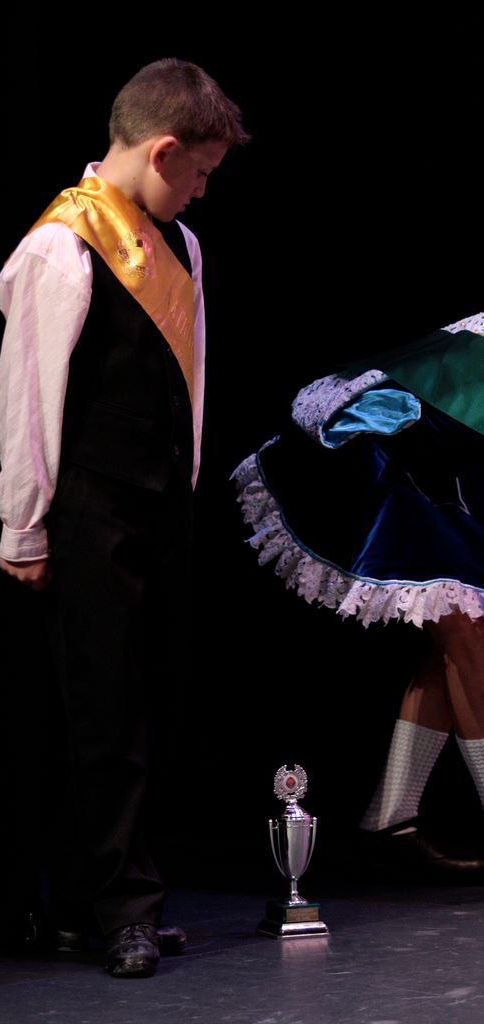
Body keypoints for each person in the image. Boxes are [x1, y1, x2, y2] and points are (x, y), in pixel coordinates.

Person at [0, 58, 249, 977]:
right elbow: (27, 395)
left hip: (157, 509)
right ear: (163, 150)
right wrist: (23, 525)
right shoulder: (61, 244)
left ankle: (89, 901)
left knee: (150, 705)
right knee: (102, 714)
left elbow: (191, 380)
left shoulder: (183, 246)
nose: (204, 190)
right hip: (88, 510)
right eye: (201, 171)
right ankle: (120, 910)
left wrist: (184, 484)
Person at [233, 313, 484, 877]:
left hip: (449, 483)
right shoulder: (473, 354)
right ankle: (392, 822)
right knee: (468, 634)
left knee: (454, 641)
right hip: (407, 478)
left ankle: (389, 820)